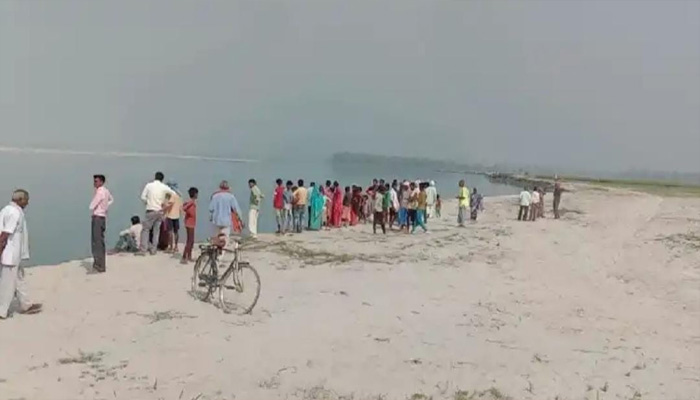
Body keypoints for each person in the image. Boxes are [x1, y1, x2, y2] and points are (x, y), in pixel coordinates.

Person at [0, 190, 42, 320]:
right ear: (20, 200)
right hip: (10, 254)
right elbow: (5, 234)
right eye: (26, 200)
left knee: (19, 279)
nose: (27, 203)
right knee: (8, 284)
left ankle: (26, 305)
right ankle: (2, 311)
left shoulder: (7, 209)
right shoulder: (14, 212)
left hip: (14, 254)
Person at [139, 172, 176, 255]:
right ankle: (154, 249)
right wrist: (165, 202)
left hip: (150, 209)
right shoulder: (164, 187)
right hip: (160, 211)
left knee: (146, 229)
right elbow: (173, 193)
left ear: (155, 177)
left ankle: (143, 249)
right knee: (156, 231)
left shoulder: (149, 185)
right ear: (162, 179)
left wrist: (148, 202)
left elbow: (143, 197)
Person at [89, 174, 113, 273]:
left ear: (101, 182)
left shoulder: (100, 192)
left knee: (96, 241)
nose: (94, 183)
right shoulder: (106, 191)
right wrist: (105, 206)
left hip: (98, 216)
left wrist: (99, 207)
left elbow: (91, 205)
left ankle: (99, 264)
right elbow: (111, 199)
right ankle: (100, 263)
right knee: (100, 241)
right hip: (103, 216)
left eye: (96, 181)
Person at [209, 180, 243, 246]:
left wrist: (211, 217)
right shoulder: (231, 197)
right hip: (226, 221)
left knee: (217, 238)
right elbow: (236, 209)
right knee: (225, 238)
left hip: (216, 220)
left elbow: (211, 209)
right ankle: (223, 250)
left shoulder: (215, 196)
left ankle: (217, 250)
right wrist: (240, 219)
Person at [181, 187, 198, 263]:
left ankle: (189, 256)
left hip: (191, 223)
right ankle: (184, 257)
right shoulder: (191, 202)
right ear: (194, 194)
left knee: (191, 241)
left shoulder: (192, 202)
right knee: (189, 241)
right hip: (189, 223)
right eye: (196, 194)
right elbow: (184, 208)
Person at [165, 181, 183, 253]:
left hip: (170, 215)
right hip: (177, 215)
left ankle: (170, 247)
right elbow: (181, 207)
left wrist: (163, 208)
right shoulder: (179, 195)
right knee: (176, 232)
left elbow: (170, 204)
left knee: (170, 232)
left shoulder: (172, 195)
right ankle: (176, 246)